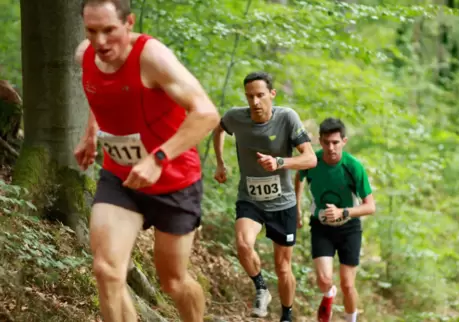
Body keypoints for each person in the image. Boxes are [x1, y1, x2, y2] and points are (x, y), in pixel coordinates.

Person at [73, 1, 220, 321]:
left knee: (174, 282)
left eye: (109, 30)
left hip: (174, 181)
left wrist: (158, 158)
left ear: (129, 23)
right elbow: (97, 93)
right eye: (92, 30)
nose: (100, 42)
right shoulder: (85, 55)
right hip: (121, 178)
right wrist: (91, 132)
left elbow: (207, 113)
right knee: (107, 270)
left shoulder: (152, 57)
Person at [213, 71, 317, 322]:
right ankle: (261, 287)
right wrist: (220, 163)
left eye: (260, 95)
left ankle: (287, 315)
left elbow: (311, 158)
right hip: (250, 199)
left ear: (272, 94)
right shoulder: (236, 117)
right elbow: (217, 129)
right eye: (250, 96)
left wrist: (280, 161)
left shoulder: (287, 118)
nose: (255, 102)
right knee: (243, 243)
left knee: (283, 268)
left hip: (283, 203)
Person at [295, 118, 376, 322]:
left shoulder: (353, 167)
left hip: (349, 228)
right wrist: (296, 207)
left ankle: (351, 319)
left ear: (344, 141)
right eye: (326, 142)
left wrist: (344, 212)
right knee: (324, 280)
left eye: (336, 142)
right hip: (321, 226)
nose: (331, 148)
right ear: (320, 142)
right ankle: (329, 295)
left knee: (348, 284)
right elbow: (299, 177)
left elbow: (370, 206)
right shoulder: (313, 160)